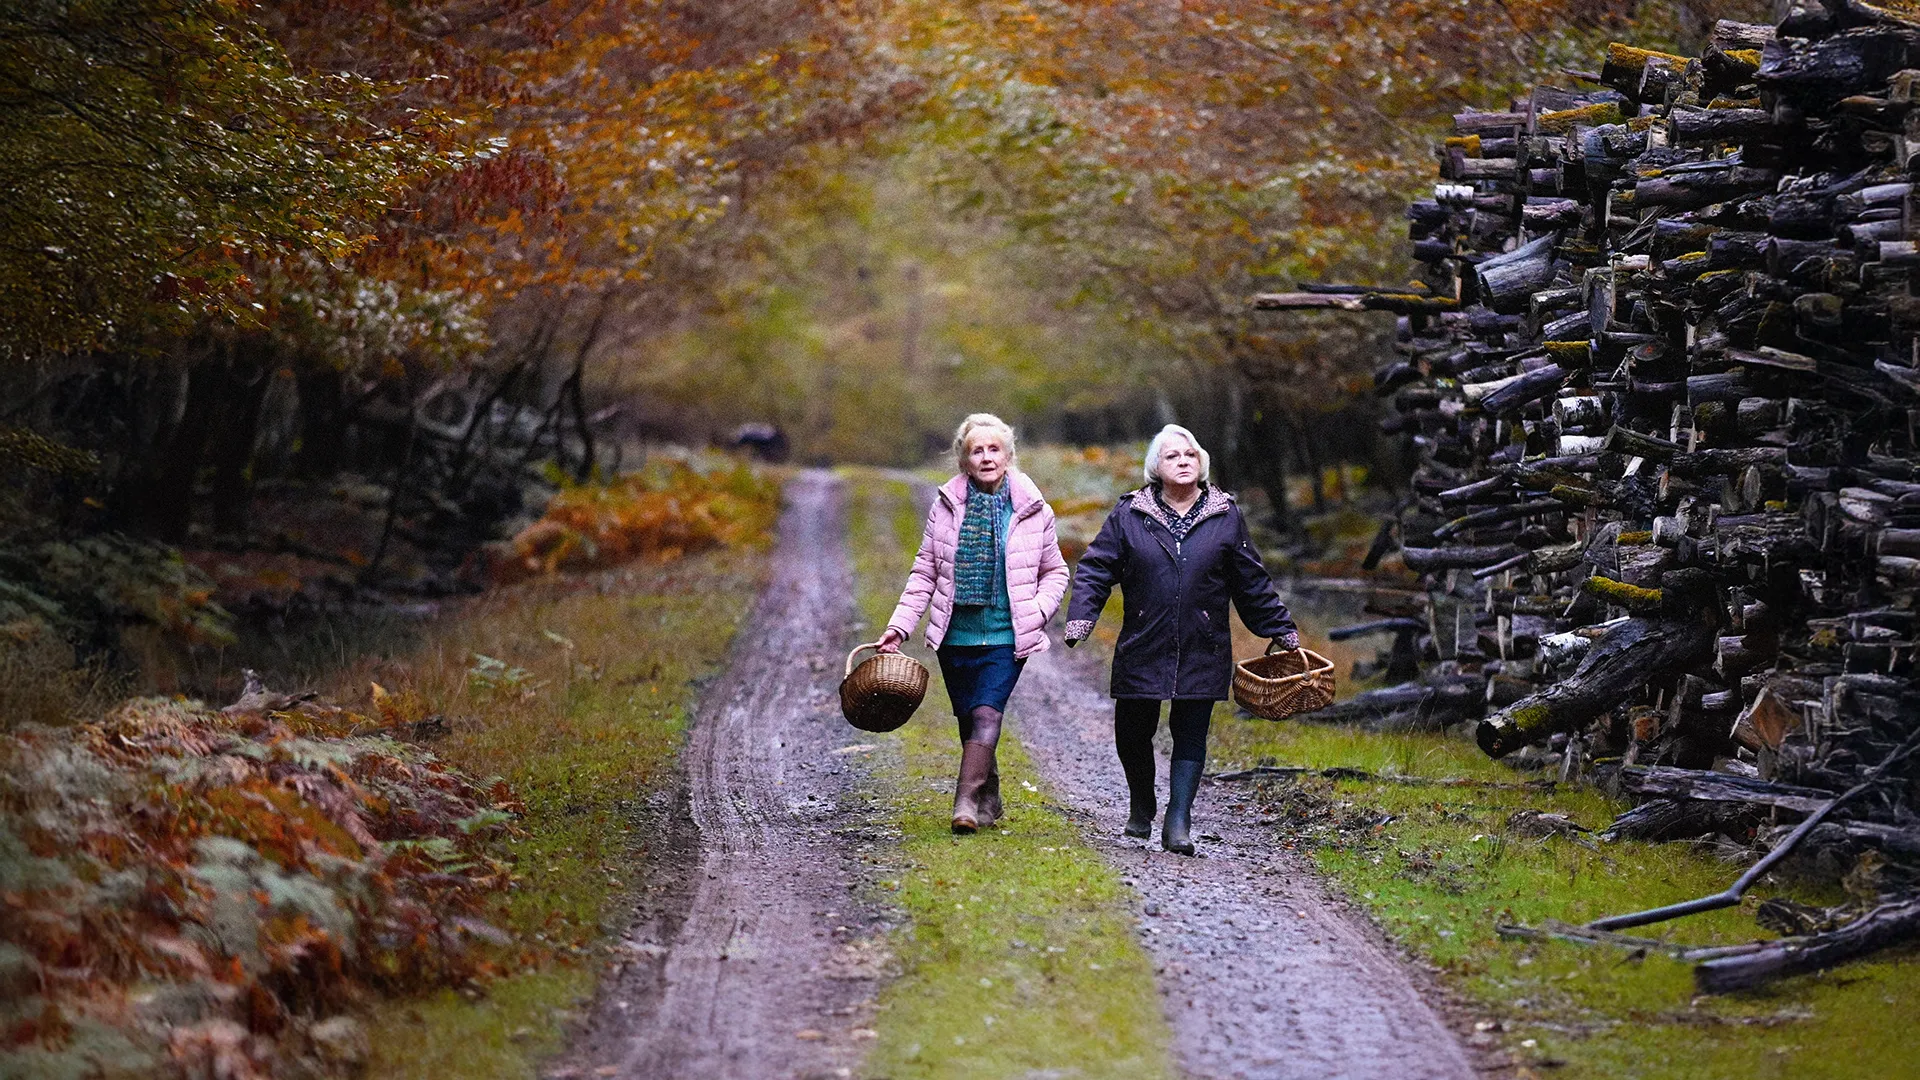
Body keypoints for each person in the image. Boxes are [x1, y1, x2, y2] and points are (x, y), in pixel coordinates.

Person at [1063, 424, 1299, 854]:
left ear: (1202, 462)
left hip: (1202, 640)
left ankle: (1179, 818)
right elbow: (1097, 568)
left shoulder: (1225, 514)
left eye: (1190, 454)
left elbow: (1251, 580)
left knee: (1191, 730)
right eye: (1173, 456)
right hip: (1143, 637)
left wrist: (1280, 628)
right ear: (1157, 466)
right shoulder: (1130, 514)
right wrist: (1082, 617)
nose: (1184, 461)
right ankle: (1142, 800)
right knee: (1133, 730)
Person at [879, 413, 1070, 833]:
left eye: (994, 449)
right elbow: (924, 572)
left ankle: (963, 801)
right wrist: (900, 626)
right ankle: (989, 793)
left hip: (1006, 634)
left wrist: (1037, 612)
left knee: (988, 714)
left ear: (1008, 456)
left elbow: (1055, 571)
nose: (986, 457)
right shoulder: (946, 507)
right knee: (969, 719)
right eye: (976, 451)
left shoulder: (1033, 508)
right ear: (964, 460)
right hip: (956, 635)